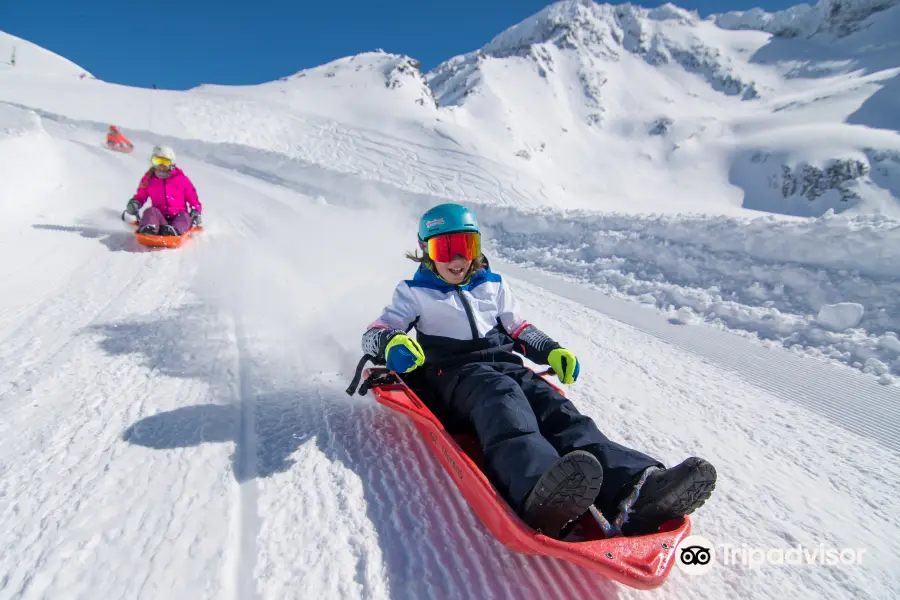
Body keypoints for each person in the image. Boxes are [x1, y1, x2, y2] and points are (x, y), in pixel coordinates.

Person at [361, 203, 717, 539]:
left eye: (466, 246)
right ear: (426, 252)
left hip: (505, 365)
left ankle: (637, 490)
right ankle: (538, 487)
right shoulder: (414, 292)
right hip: (455, 375)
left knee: (558, 411)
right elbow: (375, 333)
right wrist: (393, 344)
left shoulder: (494, 284)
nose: (458, 259)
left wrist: (551, 349)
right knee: (503, 402)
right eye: (446, 249)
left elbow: (518, 328)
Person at [123, 145, 202, 236]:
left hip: (178, 217)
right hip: (159, 220)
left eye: (165, 162)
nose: (161, 165)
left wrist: (196, 211)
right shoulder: (149, 179)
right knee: (150, 211)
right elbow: (141, 196)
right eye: (157, 161)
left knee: (185, 216)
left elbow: (193, 199)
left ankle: (173, 231)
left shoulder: (181, 180)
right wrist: (135, 203)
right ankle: (149, 228)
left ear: (171, 163)